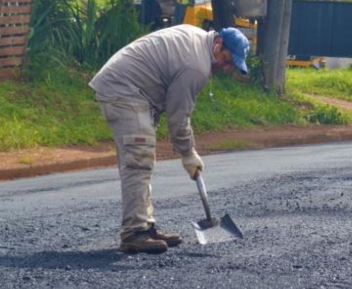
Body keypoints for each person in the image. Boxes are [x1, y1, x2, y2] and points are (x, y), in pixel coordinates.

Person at [89, 25, 250, 254]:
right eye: (226, 59)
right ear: (218, 44)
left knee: (143, 159)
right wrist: (188, 153)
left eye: (231, 65)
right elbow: (178, 116)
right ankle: (134, 233)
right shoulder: (196, 67)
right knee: (139, 159)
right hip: (124, 90)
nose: (225, 67)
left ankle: (145, 226)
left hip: (131, 89)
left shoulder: (196, 37)